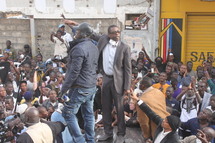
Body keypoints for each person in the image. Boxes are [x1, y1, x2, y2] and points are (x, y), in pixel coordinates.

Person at [60, 22, 99, 143]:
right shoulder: (94, 46)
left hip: (81, 86)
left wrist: (63, 89)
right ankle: (90, 139)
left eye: (77, 31)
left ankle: (80, 140)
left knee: (68, 112)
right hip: (91, 85)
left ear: (82, 34)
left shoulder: (78, 48)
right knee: (88, 114)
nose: (75, 33)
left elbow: (74, 72)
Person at [97, 25, 132, 142]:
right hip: (106, 79)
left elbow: (128, 69)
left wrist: (127, 87)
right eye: (114, 32)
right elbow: (91, 32)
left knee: (120, 108)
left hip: (119, 81)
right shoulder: (103, 41)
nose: (117, 34)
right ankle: (108, 133)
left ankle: (121, 133)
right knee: (105, 108)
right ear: (109, 34)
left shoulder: (124, 47)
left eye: (118, 32)